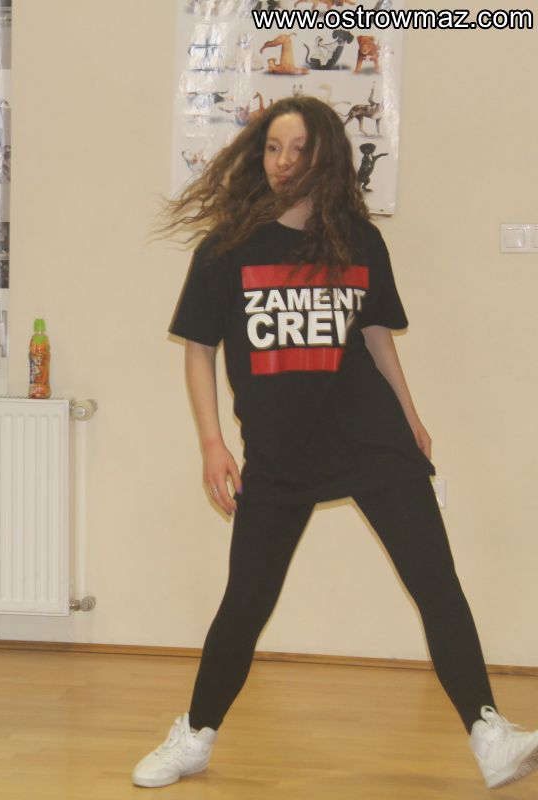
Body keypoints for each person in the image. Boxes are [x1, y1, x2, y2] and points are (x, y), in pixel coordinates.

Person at [134, 95, 538, 791]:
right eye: (273, 148)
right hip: (279, 452)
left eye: (299, 150)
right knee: (246, 603)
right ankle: (195, 735)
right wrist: (211, 443)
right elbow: (198, 348)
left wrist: (410, 415)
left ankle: (488, 732)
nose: (283, 161)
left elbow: (376, 335)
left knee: (436, 583)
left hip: (372, 438)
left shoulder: (359, 240)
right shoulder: (227, 247)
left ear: (327, 159)